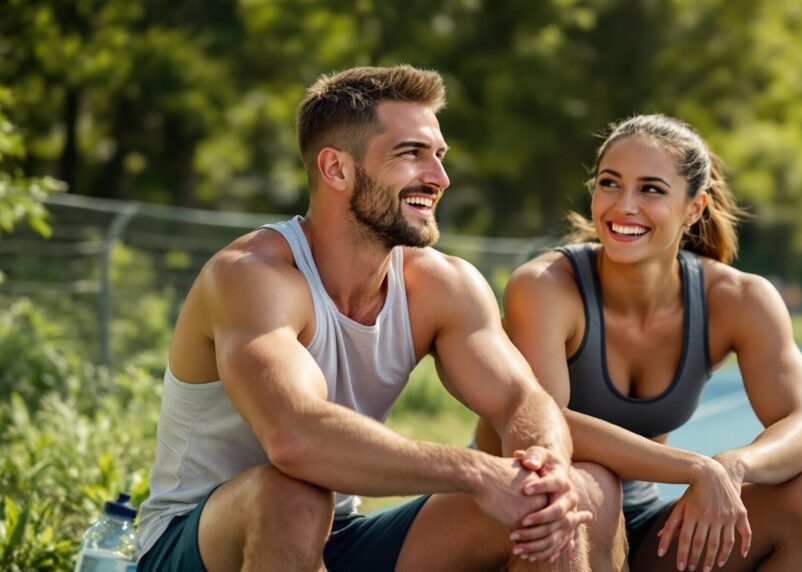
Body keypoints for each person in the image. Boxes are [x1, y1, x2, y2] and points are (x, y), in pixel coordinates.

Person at [136, 65, 626, 572]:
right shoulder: (252, 277)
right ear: (336, 169)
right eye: (411, 154)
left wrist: (544, 467)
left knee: (574, 495)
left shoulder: (441, 285)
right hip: (197, 543)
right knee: (292, 495)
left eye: (439, 156)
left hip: (337, 533)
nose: (439, 178)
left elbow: (522, 400)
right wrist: (477, 473)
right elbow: (295, 438)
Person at [475, 114, 802, 571]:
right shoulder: (545, 286)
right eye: (610, 183)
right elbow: (544, 425)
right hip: (530, 514)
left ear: (694, 208)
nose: (624, 206)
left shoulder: (738, 298)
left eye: (651, 190)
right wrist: (694, 467)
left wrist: (733, 466)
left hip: (640, 523)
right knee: (587, 484)